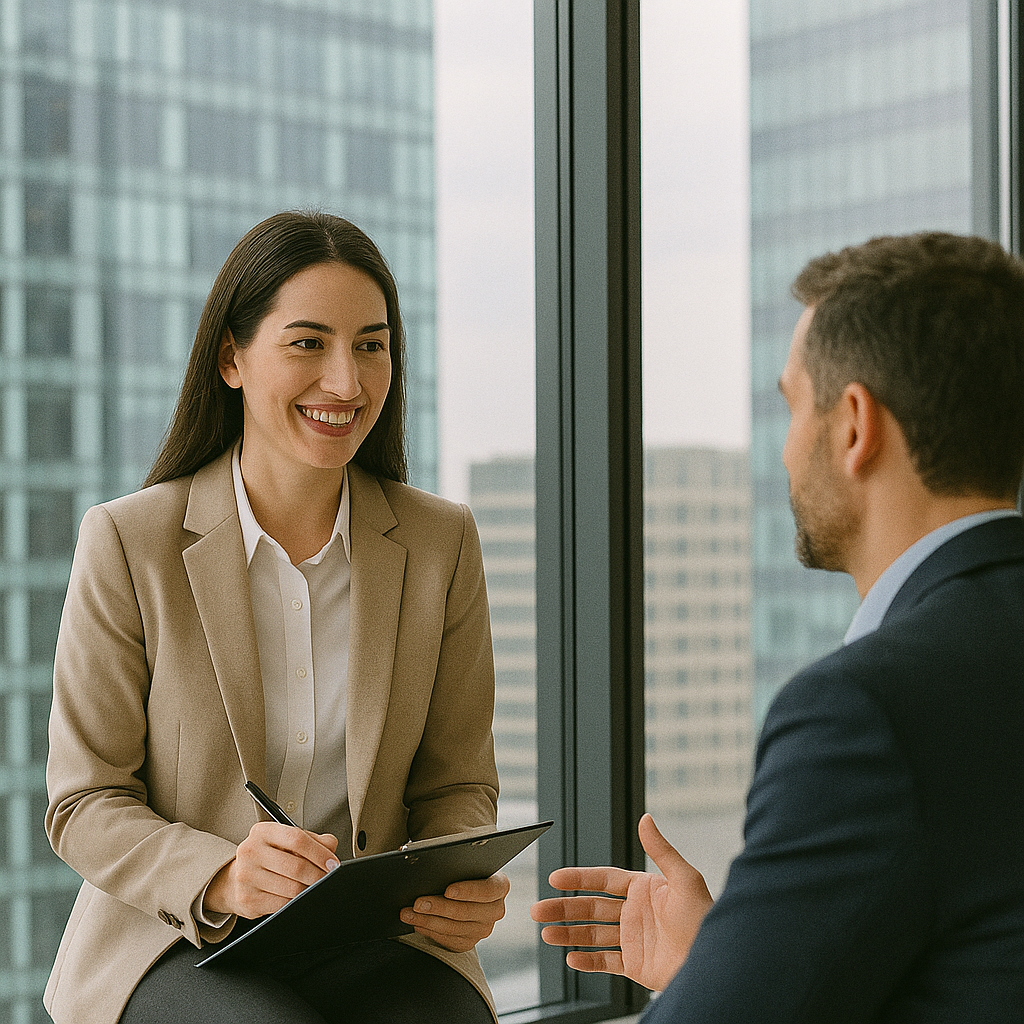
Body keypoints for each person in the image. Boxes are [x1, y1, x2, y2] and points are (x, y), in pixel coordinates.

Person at [532, 231, 1024, 1021]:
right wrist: (728, 960)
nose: (786, 452)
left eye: (792, 406)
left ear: (854, 425)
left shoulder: (866, 712)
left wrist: (711, 987)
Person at [44, 210, 506, 1024]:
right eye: (308, 344)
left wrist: (452, 879)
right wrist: (222, 874)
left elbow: (457, 783)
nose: (346, 383)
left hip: (373, 932)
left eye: (371, 346)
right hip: (174, 933)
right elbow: (84, 802)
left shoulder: (441, 543)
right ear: (231, 357)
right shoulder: (129, 542)